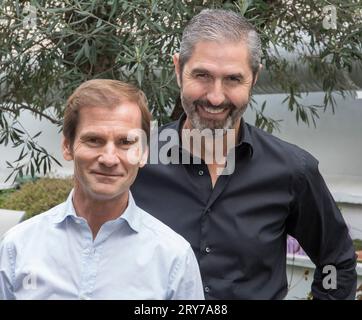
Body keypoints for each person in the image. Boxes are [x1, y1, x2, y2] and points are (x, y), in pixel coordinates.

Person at [131, 9, 357, 299]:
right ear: (178, 70)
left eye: (233, 79)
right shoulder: (134, 161)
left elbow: (337, 262)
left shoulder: (292, 171)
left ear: (255, 77)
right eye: (202, 75)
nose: (215, 96)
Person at [0, 79, 204, 300]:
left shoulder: (173, 258)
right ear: (67, 146)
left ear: (144, 153)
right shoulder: (17, 247)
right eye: (94, 140)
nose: (109, 159)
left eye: (126, 142)